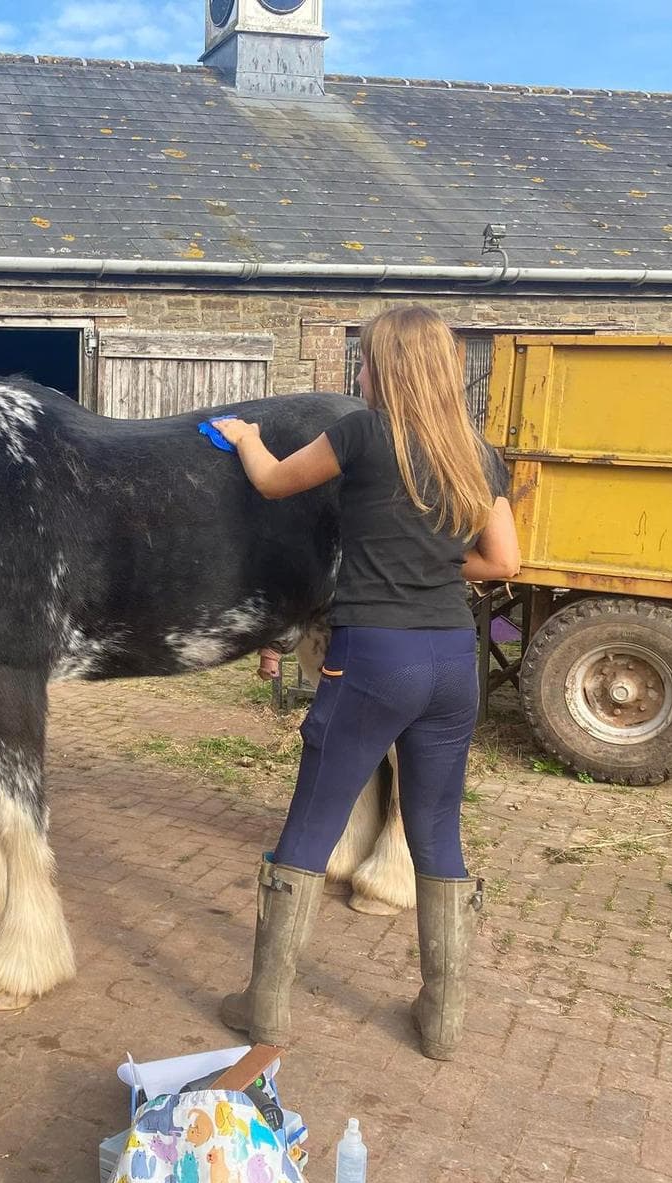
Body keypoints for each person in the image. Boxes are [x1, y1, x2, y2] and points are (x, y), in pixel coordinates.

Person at [209, 305, 521, 1061]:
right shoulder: (477, 455)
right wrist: (436, 574)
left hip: (373, 657)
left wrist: (249, 437)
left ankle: (269, 1011)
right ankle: (442, 1023)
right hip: (452, 659)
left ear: (382, 369)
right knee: (437, 829)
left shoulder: (361, 432)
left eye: (368, 362)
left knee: (313, 822)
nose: (362, 374)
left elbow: (278, 483)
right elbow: (505, 562)